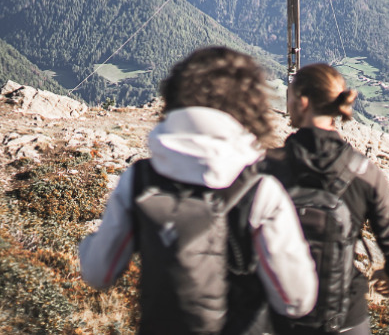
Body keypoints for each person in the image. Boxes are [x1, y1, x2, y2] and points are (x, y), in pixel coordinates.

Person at [79, 46, 317, 335]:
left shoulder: (139, 180)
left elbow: (98, 273)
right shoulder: (261, 192)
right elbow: (296, 300)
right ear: (250, 106)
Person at [263, 63, 389, 335]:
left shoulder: (266, 168)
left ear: (302, 102)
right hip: (344, 317)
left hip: (276, 317)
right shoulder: (364, 173)